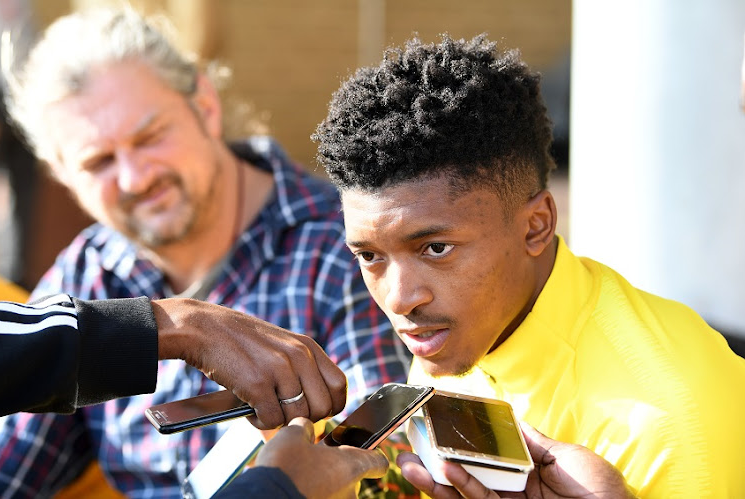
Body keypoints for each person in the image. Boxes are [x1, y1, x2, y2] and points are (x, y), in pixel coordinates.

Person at [0, 6, 410, 497]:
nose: (135, 177)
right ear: (62, 175)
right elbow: (9, 474)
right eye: (99, 161)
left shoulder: (344, 246)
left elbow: (384, 470)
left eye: (150, 137)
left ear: (205, 106)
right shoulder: (87, 273)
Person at [313, 34, 745, 497]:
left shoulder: (666, 423)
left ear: (536, 226)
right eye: (370, 255)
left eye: (435, 248)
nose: (400, 298)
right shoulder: (462, 328)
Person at [0, 296, 388, 498]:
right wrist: (279, 490)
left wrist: (170, 325)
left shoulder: (325, 242)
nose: (135, 178)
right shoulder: (87, 263)